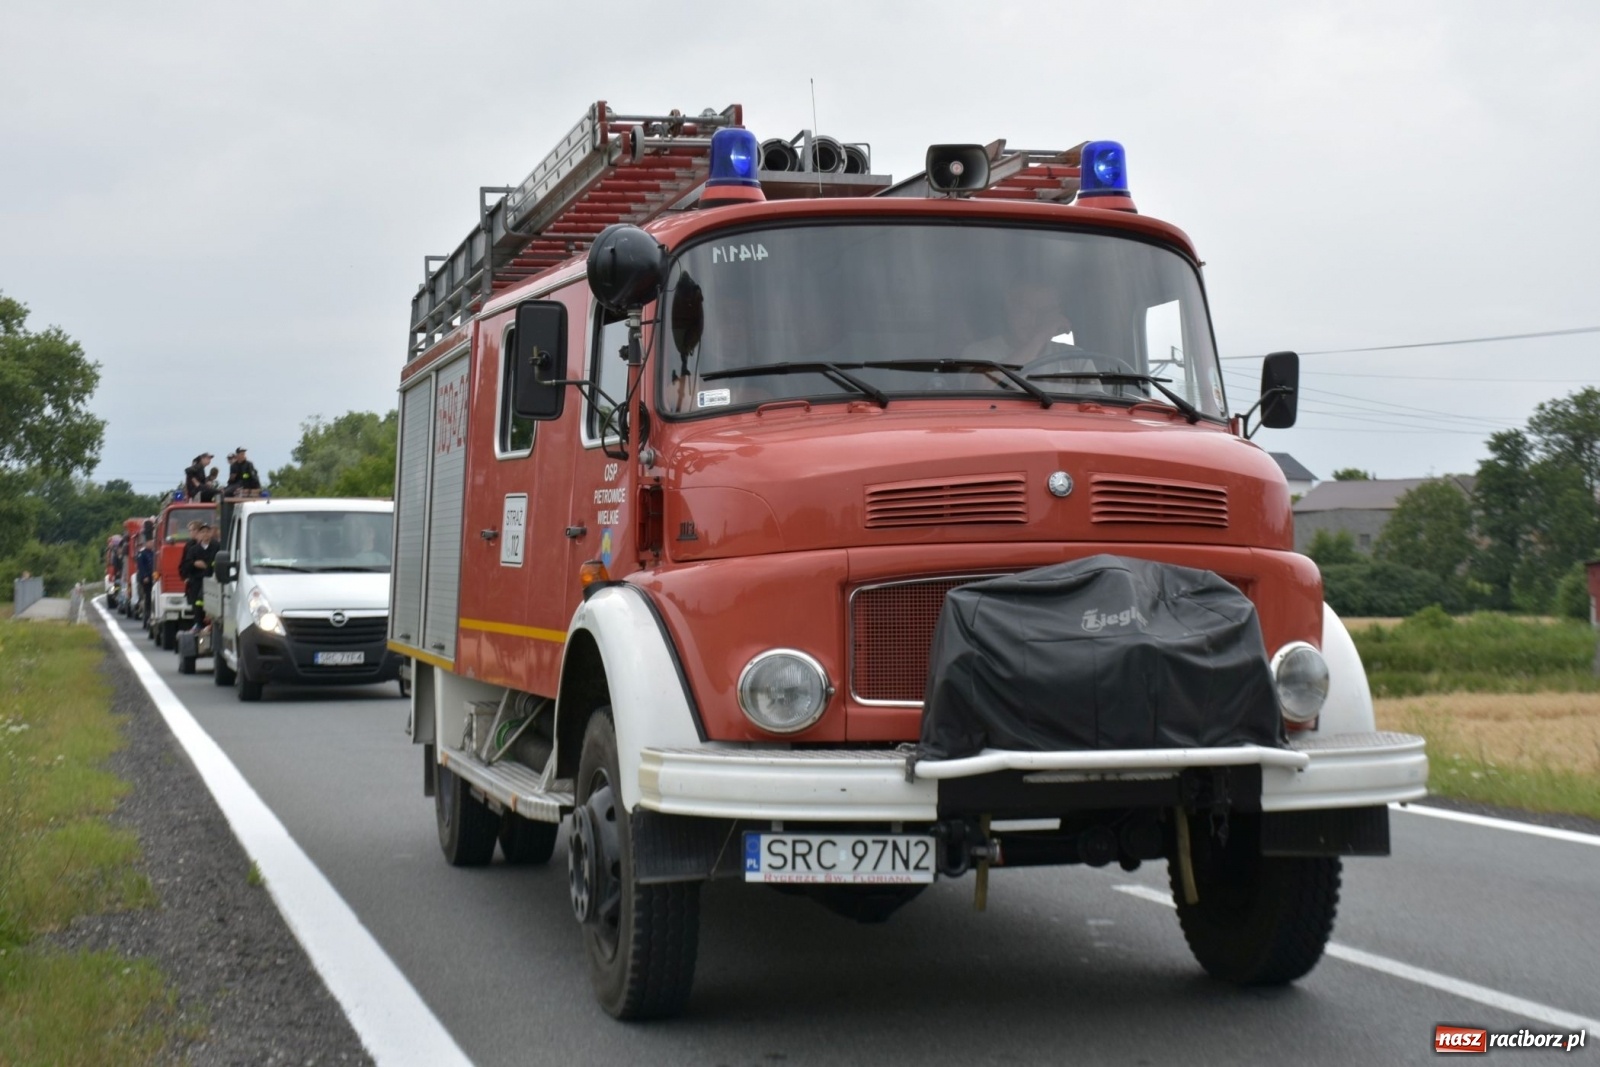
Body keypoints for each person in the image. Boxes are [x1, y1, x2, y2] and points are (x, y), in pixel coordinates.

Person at [962, 283, 1076, 366]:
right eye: (1025, 310)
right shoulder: (978, 353)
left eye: (1044, 312)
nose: (1034, 320)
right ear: (1009, 309)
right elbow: (979, 388)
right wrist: (1039, 338)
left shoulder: (1076, 359)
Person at [178, 521, 219, 632]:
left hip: (212, 580)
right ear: (199, 534)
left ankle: (211, 624)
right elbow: (185, 565)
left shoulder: (217, 547)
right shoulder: (193, 550)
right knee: (197, 602)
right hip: (196, 581)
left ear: (211, 533)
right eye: (202, 532)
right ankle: (198, 623)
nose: (205, 534)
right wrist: (194, 563)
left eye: (207, 531)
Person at [135, 537, 156, 623]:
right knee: (147, 597)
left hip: (153, 577)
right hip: (146, 579)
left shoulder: (153, 552)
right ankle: (146, 616)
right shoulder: (142, 553)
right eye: (150, 542)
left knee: (153, 597)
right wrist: (144, 576)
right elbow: (141, 567)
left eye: (152, 542)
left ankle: (152, 613)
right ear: (146, 543)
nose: (152, 543)